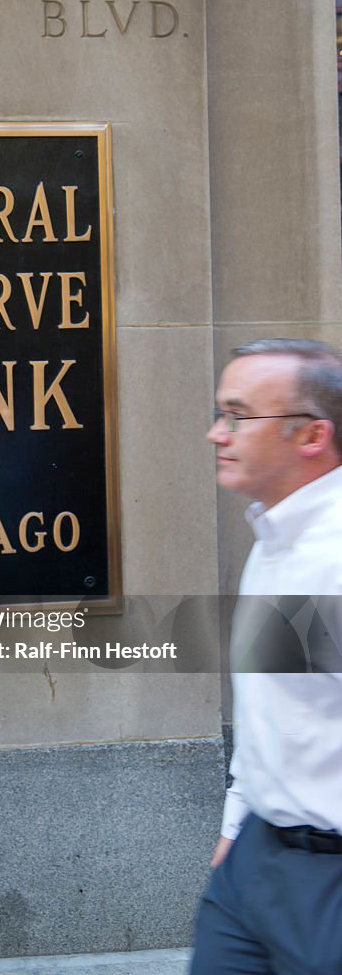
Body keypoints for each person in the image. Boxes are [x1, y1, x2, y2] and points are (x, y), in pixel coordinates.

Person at [190, 338, 342, 975]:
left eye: (238, 416)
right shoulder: (273, 537)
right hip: (252, 865)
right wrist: (236, 826)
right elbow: (269, 709)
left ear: (311, 436)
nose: (215, 433)